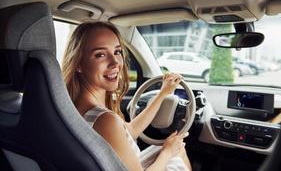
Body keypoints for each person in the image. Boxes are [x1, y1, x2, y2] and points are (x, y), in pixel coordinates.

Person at [62, 21, 191, 171]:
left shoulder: (73, 106)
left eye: (117, 52)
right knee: (177, 152)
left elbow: (129, 132)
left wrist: (163, 94)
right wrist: (167, 153)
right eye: (100, 55)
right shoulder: (105, 119)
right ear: (78, 64)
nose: (115, 62)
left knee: (176, 149)